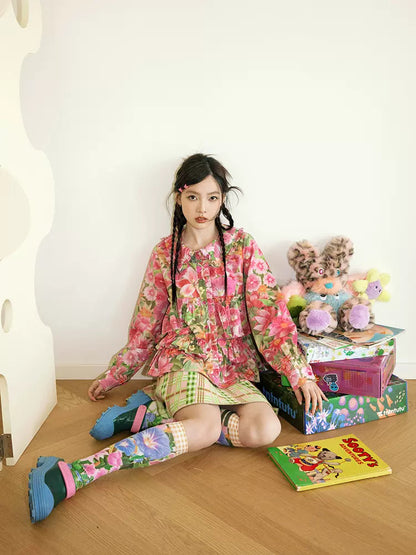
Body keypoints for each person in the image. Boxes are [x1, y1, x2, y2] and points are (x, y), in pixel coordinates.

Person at [28, 153, 327, 523]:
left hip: (232, 366)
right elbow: (146, 325)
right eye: (193, 197)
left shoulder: (242, 247)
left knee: (265, 429)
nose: (202, 208)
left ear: (223, 199)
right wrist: (115, 375)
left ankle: (153, 414)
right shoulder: (164, 254)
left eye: (212, 198)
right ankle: (71, 474)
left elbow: (269, 315)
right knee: (204, 427)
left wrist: (300, 374)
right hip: (183, 357)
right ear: (179, 197)